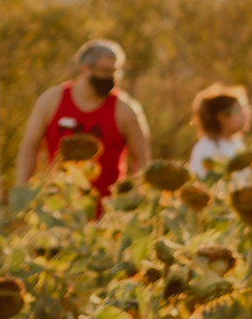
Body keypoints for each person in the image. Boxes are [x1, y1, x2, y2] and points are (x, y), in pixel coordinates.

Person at [15, 39, 152, 201]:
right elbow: (30, 146)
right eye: (105, 71)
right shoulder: (51, 101)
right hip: (56, 207)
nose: (111, 77)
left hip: (107, 211)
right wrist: (23, 189)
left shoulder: (126, 110)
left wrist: (136, 198)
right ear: (85, 68)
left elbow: (141, 157)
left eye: (115, 71)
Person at [187, 83, 252, 178]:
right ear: (222, 118)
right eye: (239, 109)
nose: (245, 114)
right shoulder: (207, 148)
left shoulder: (236, 143)